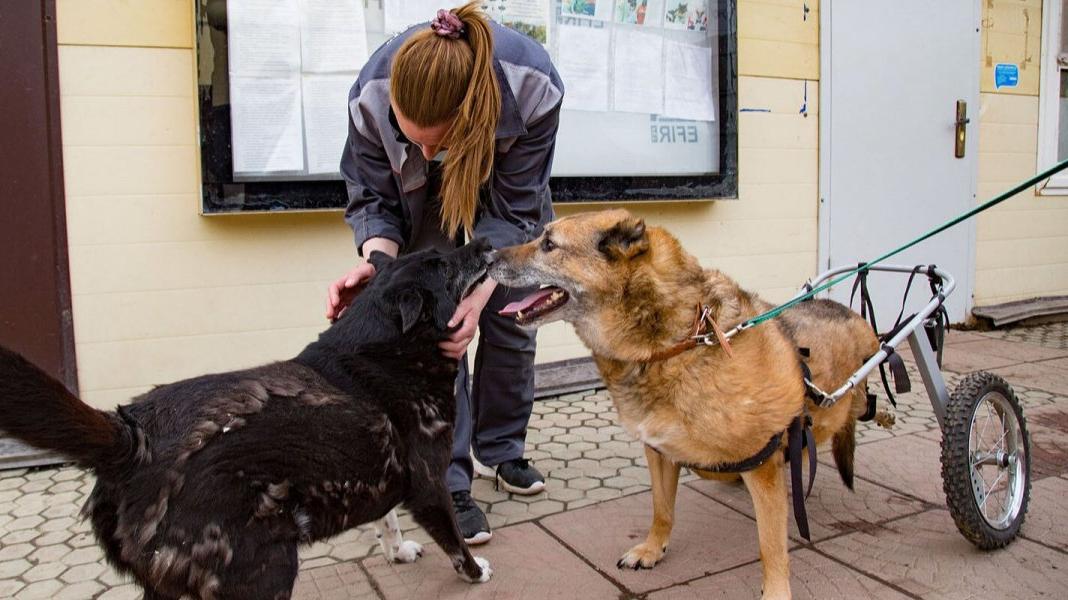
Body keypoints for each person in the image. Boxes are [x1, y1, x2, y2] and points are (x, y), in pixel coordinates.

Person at [326, 1, 564, 545]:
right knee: (440, 335)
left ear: (477, 114)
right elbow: (373, 197)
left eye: (440, 141)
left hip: (505, 199)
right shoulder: (370, 94)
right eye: (414, 140)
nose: (427, 152)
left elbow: (514, 210)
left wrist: (482, 290)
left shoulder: (532, 85)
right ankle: (449, 482)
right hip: (421, 209)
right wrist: (379, 268)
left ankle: (501, 451)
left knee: (508, 317)